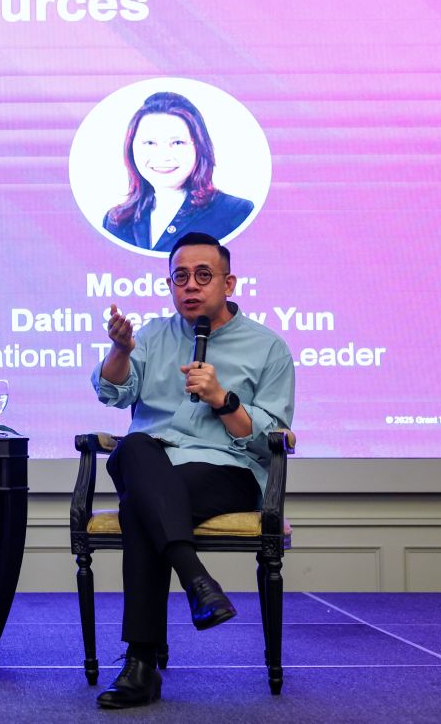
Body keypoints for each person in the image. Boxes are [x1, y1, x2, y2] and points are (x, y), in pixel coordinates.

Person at [90, 231, 294, 709]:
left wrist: (223, 399)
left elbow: (271, 439)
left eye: (204, 275)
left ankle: (140, 665)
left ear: (229, 283)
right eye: (180, 277)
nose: (191, 286)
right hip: (152, 464)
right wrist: (120, 350)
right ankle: (197, 580)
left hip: (226, 471)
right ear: (169, 285)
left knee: (142, 505)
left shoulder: (268, 347)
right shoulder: (151, 337)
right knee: (136, 448)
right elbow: (112, 393)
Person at [102, 92, 254, 252]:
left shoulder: (236, 213)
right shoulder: (115, 220)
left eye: (177, 143)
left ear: (200, 148)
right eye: (150, 143)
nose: (163, 156)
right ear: (131, 148)